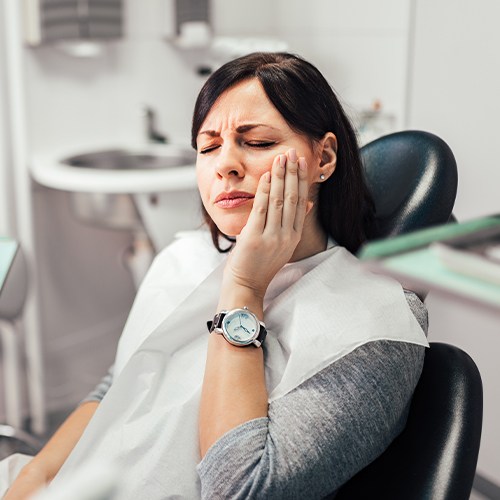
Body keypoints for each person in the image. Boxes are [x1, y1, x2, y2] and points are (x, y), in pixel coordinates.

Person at [4, 52, 428, 499]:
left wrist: (245, 289)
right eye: (208, 147)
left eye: (259, 142)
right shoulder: (184, 259)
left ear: (322, 157)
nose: (225, 164)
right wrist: (32, 480)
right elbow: (122, 383)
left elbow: (240, 489)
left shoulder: (377, 326)